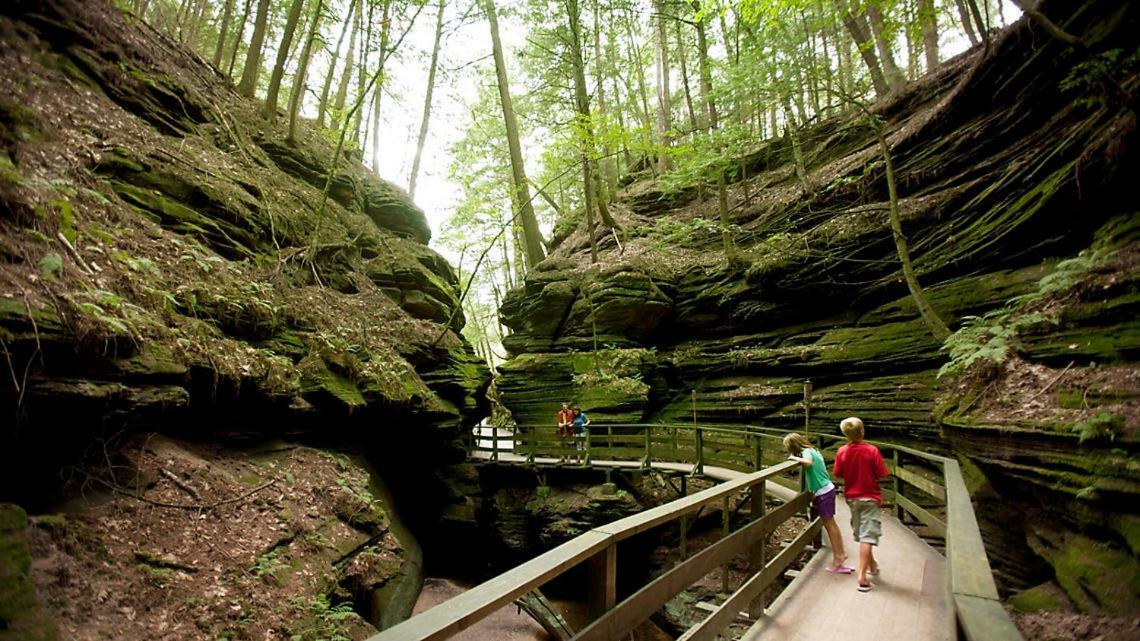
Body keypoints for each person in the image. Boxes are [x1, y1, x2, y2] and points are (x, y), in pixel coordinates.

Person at [833, 416, 889, 592]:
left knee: (862, 534)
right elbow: (882, 473)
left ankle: (872, 565)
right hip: (870, 497)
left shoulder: (842, 451)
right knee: (867, 536)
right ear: (862, 431)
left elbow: (837, 473)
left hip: (852, 498)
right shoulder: (872, 451)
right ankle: (863, 576)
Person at [784, 433, 851, 574]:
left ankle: (839, 558)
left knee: (830, 525)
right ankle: (840, 555)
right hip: (825, 489)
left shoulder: (806, 452)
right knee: (831, 524)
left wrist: (794, 458)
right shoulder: (814, 450)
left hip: (824, 492)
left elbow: (808, 463)